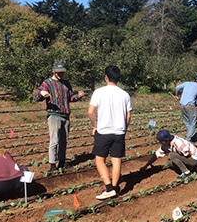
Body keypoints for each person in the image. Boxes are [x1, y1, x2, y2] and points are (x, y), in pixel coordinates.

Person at [87, 65, 132, 200]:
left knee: (100, 160)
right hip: (119, 132)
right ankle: (115, 186)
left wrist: (95, 126)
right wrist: (124, 129)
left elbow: (90, 112)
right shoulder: (125, 94)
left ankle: (108, 188)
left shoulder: (99, 92)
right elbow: (128, 116)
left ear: (106, 77)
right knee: (116, 160)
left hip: (104, 131)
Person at [34, 62, 85, 172]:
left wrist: (78, 96)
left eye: (62, 72)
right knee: (54, 140)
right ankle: (52, 165)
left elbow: (70, 97)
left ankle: (62, 162)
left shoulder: (66, 83)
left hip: (65, 115)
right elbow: (37, 96)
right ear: (53, 71)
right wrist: (42, 94)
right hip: (54, 115)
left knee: (64, 140)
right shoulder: (47, 83)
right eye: (59, 72)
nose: (61, 74)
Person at [174, 76, 197, 142]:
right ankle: (188, 139)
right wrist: (194, 109)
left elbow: (177, 87)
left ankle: (190, 137)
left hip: (182, 105)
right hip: (190, 105)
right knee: (193, 123)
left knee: (187, 122)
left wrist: (176, 95)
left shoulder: (187, 83)